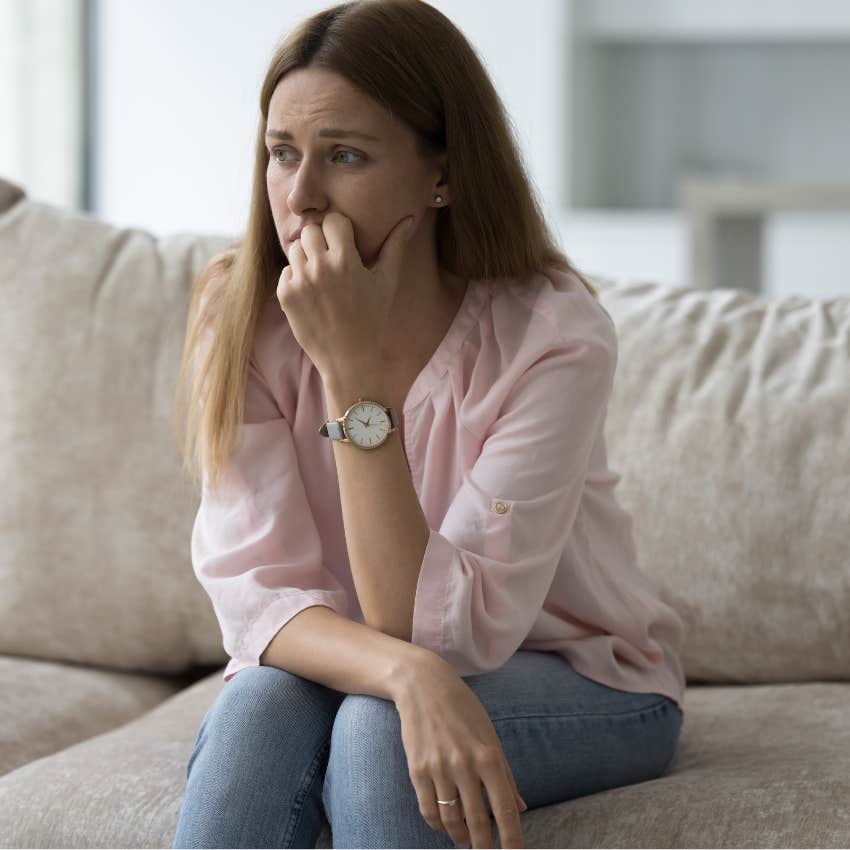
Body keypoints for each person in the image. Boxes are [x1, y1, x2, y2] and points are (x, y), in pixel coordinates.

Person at [171, 1, 686, 847]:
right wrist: (405, 673)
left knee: (377, 735)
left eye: (345, 156)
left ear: (440, 173)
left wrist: (350, 377)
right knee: (258, 704)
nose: (299, 197)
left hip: (584, 676)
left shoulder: (550, 335)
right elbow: (259, 598)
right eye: (281, 154)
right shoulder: (239, 316)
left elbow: (453, 631)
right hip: (360, 670)